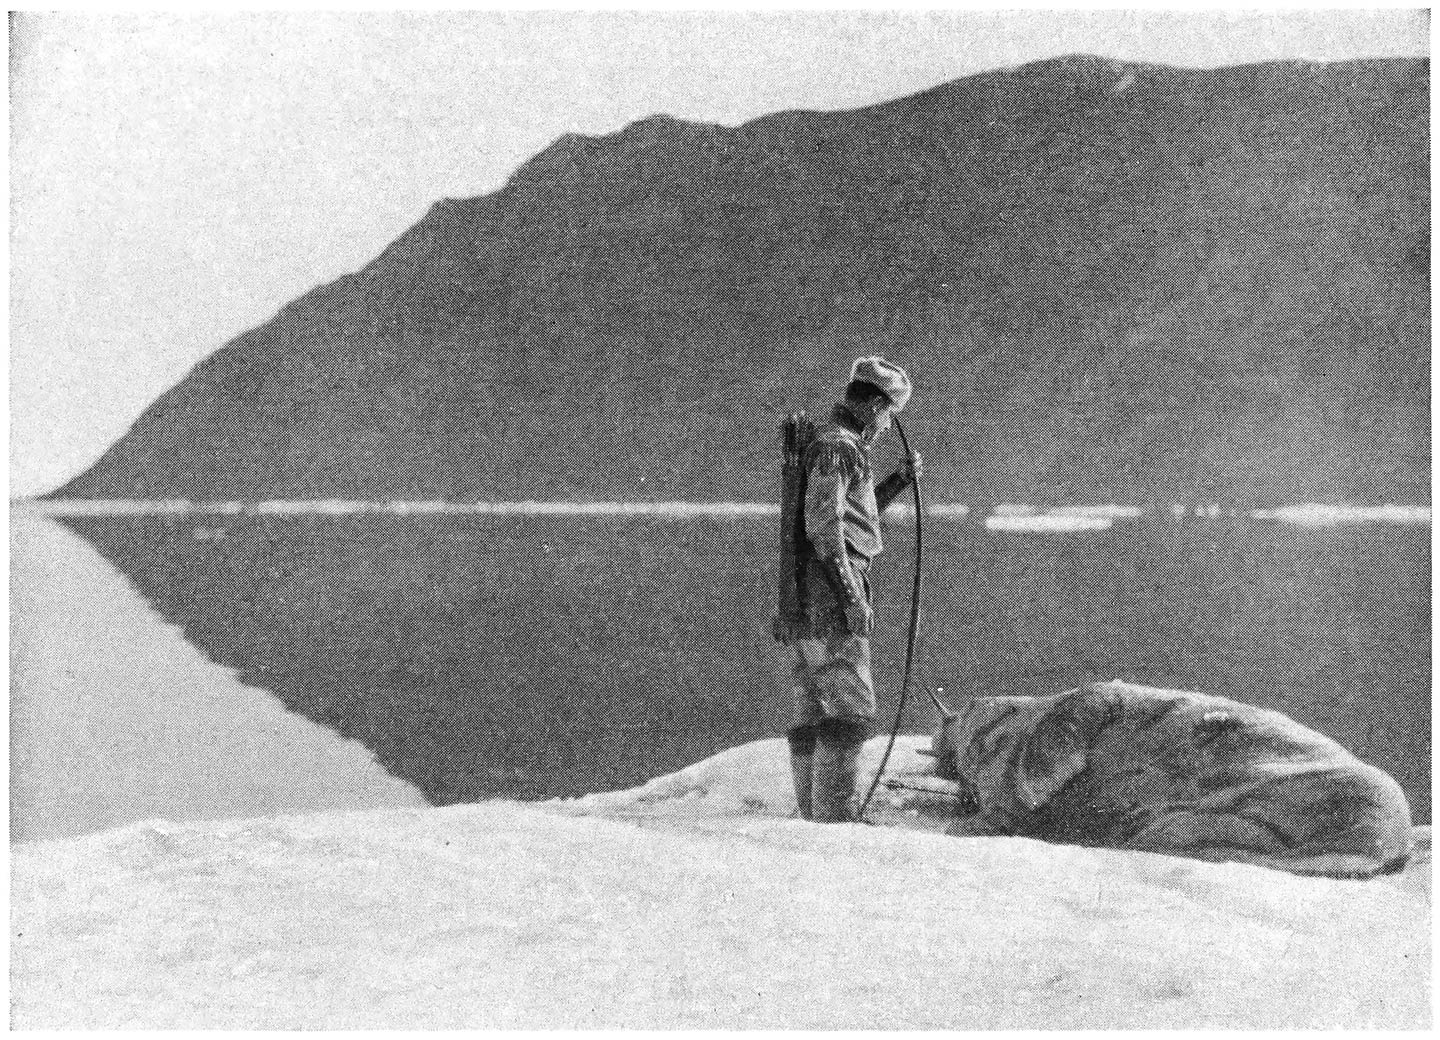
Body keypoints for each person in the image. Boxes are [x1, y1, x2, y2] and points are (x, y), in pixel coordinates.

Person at [786, 356, 921, 822]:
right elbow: (826, 528)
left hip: (808, 593)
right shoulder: (839, 446)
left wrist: (898, 481)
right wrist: (851, 595)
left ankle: (812, 817)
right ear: (874, 405)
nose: (886, 425)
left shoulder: (836, 444)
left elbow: (854, 517)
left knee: (815, 707)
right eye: (887, 413)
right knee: (852, 711)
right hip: (829, 593)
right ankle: (834, 819)